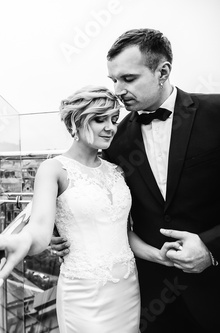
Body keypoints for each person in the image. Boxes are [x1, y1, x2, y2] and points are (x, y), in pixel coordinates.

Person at [0, 85, 181, 332]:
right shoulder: (53, 169)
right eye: (99, 119)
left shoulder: (117, 170)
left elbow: (121, 232)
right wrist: (20, 241)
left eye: (113, 119)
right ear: (74, 125)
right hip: (84, 294)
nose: (111, 127)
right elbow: (39, 228)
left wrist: (158, 255)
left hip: (128, 289)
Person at [51, 28, 220, 332]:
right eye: (112, 80)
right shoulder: (114, 141)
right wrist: (57, 233)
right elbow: (97, 203)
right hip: (148, 298)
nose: (117, 90)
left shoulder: (216, 114)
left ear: (162, 71)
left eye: (128, 79)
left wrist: (211, 249)